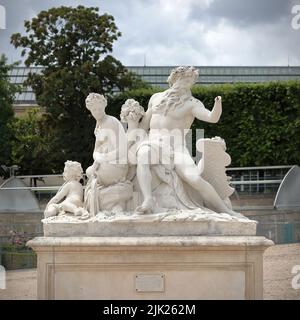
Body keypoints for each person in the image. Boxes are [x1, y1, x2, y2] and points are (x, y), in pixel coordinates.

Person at [135, 66, 241, 217]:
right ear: (175, 79)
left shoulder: (192, 103)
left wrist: (218, 104)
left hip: (176, 147)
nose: (188, 83)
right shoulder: (156, 98)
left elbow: (212, 117)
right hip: (152, 143)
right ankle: (148, 199)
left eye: (191, 81)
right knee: (143, 155)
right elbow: (144, 125)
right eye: (185, 79)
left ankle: (225, 210)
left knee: (194, 178)